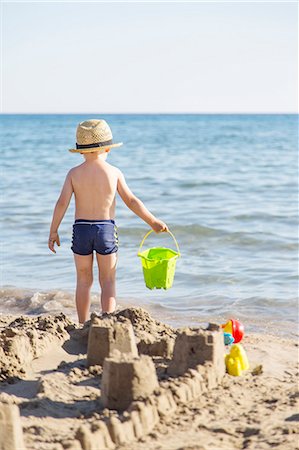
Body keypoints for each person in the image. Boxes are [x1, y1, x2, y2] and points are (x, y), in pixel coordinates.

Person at [48, 119, 168, 324]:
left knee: (84, 279)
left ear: (81, 151)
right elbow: (131, 200)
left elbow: (61, 203)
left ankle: (82, 322)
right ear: (107, 149)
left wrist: (53, 231)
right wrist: (153, 222)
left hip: (81, 229)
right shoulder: (114, 172)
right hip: (105, 229)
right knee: (108, 279)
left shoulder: (74, 173)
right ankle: (107, 320)